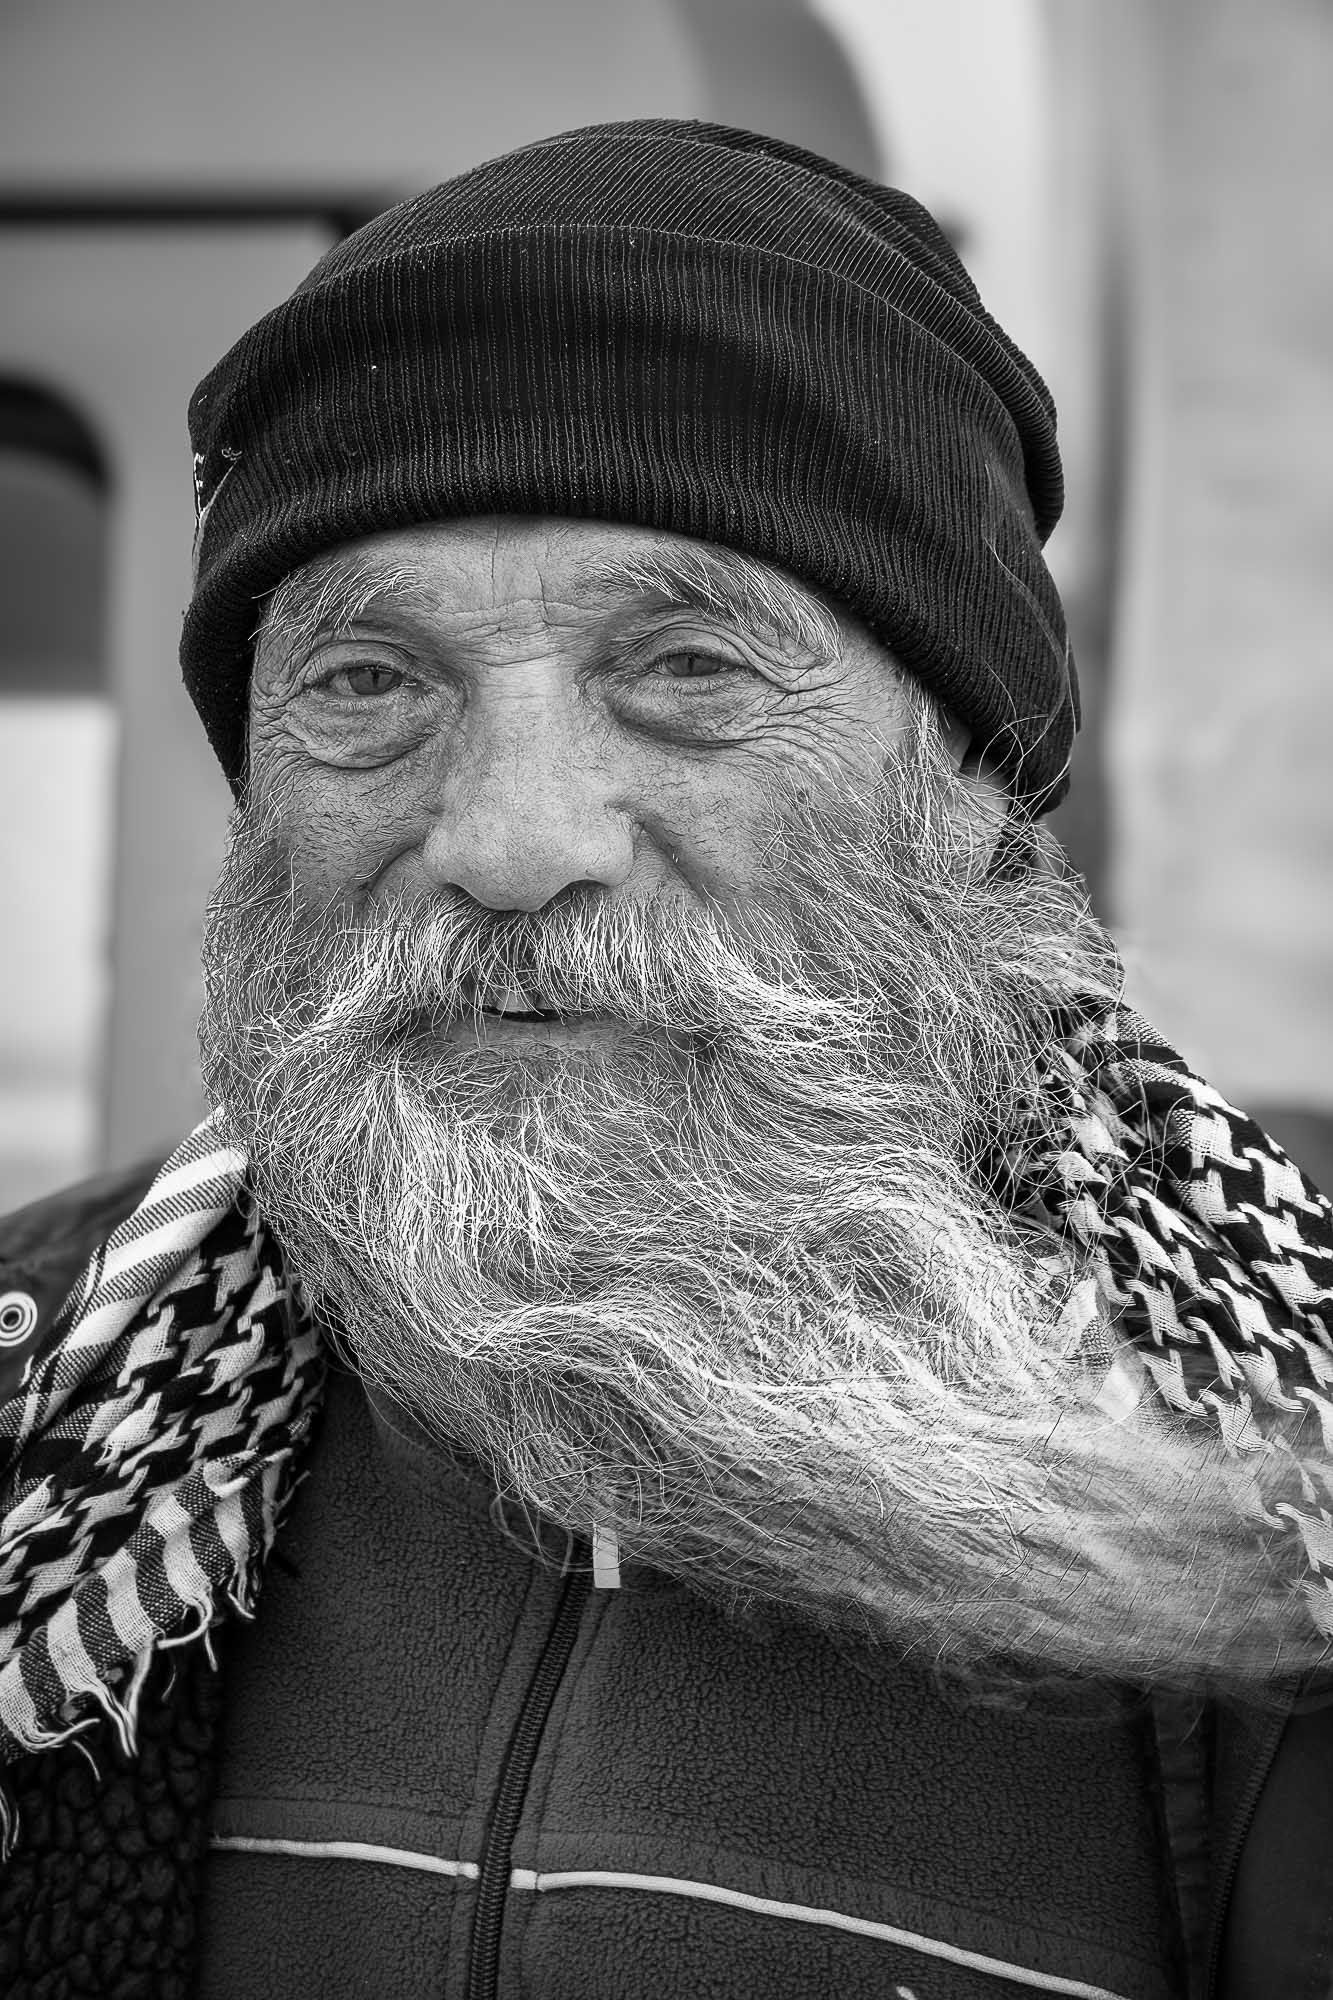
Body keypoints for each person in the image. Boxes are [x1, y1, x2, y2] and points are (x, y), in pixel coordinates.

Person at [0, 119, 1330, 2000]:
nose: (515, 836)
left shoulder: (1287, 1484)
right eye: (369, 686)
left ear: (968, 795)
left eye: (689, 670)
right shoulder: (49, 1408)